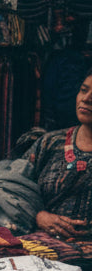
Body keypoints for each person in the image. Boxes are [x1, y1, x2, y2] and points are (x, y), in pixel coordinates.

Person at [21, 67, 92, 239]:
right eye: (83, 90)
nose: (87, 99)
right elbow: (11, 186)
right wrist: (38, 216)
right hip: (38, 249)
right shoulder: (50, 142)